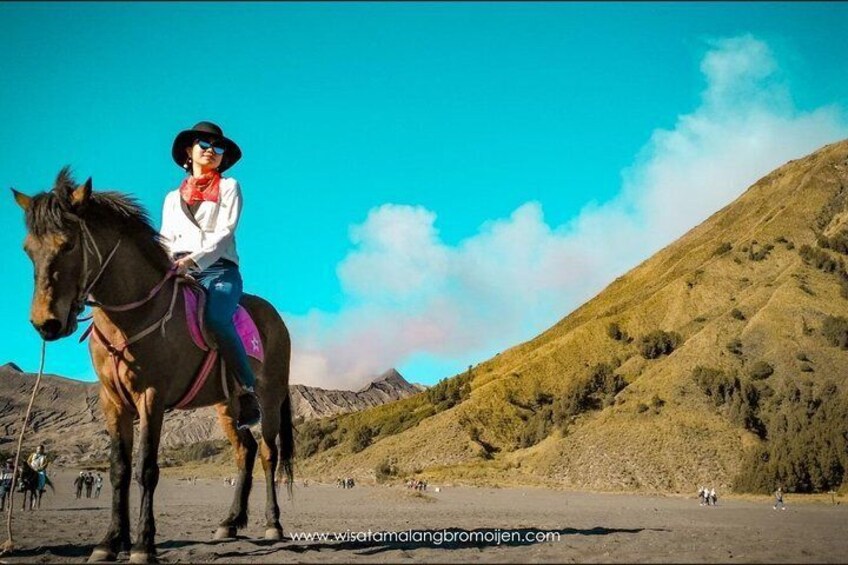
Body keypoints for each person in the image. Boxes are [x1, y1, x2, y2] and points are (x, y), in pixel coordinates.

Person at [159, 121, 259, 429]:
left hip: (218, 270)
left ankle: (246, 391)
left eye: (219, 148)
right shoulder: (171, 198)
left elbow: (224, 233)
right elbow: (164, 238)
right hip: (176, 268)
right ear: (189, 152)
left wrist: (192, 261)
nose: (212, 151)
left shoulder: (230, 187)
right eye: (205, 145)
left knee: (216, 319)